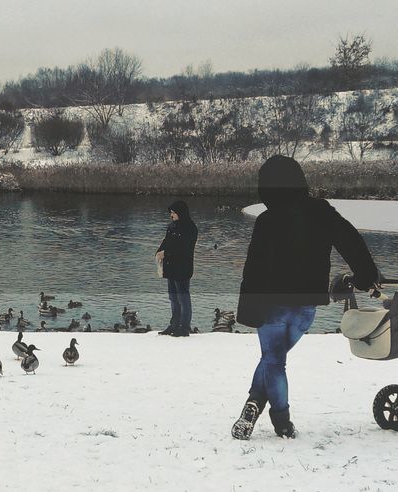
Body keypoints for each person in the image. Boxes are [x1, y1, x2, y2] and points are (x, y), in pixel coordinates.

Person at [232, 156, 379, 440]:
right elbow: (351, 241)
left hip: (269, 304)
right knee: (274, 361)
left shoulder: (266, 220)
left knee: (273, 362)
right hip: (306, 303)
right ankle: (268, 413)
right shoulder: (320, 211)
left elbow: (254, 267)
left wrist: (248, 309)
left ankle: (273, 415)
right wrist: (365, 275)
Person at [156, 200, 197, 337]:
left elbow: (184, 249)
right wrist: (159, 252)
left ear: (181, 213)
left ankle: (184, 327)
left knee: (183, 298)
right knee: (173, 298)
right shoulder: (172, 226)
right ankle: (174, 324)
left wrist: (166, 253)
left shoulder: (190, 228)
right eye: (171, 213)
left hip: (182, 268)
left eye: (173, 213)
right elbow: (166, 242)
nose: (171, 215)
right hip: (171, 268)